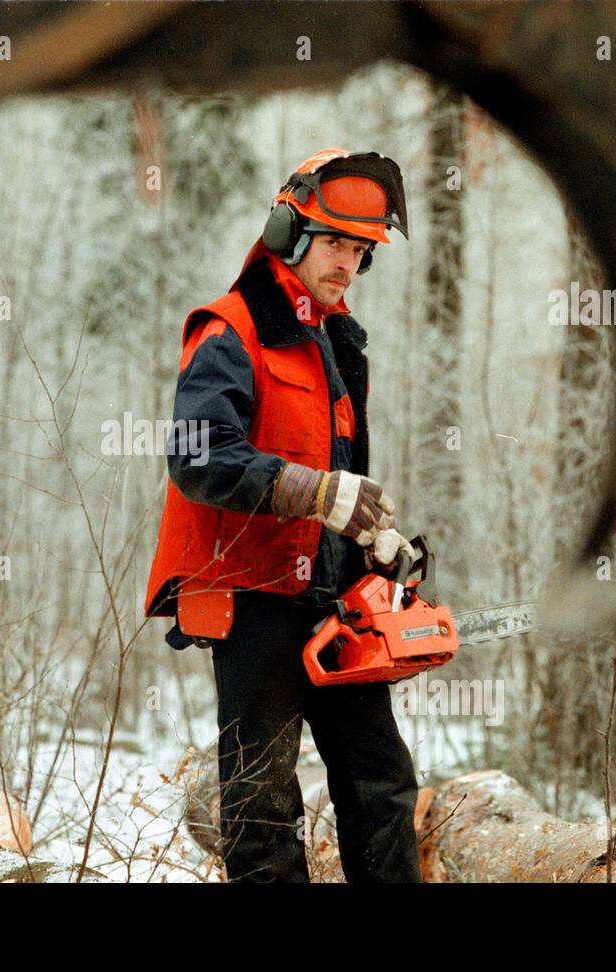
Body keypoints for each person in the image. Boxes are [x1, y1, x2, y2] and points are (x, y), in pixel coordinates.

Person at [144, 148, 423, 882]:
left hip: (329, 601)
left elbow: (335, 472)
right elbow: (199, 457)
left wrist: (373, 540)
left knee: (382, 786)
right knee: (264, 805)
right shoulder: (229, 329)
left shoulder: (337, 341)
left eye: (361, 250)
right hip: (251, 598)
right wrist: (318, 493)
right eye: (336, 242)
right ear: (286, 230)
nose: (348, 263)